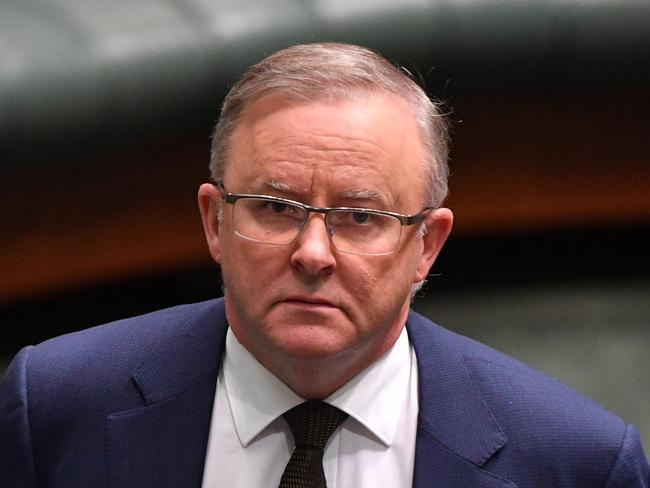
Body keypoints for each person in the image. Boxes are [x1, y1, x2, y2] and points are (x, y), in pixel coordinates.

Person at [0, 42, 647, 488]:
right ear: (213, 222)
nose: (312, 253)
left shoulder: (575, 462)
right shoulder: (55, 407)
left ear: (427, 245)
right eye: (275, 209)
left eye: (360, 218)